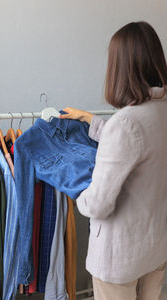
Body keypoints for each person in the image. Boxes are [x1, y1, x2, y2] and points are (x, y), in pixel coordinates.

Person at [60, 21, 167, 300]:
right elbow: (142, 147)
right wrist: (91, 120)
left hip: (120, 257)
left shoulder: (126, 123)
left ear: (120, 67)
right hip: (156, 247)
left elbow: (99, 204)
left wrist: (77, 192)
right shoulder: (160, 111)